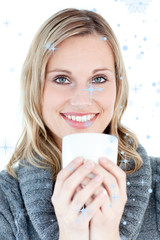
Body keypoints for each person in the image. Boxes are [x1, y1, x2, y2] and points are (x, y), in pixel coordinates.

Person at [0, 8, 159, 240]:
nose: (82, 100)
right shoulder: (5, 203)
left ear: (118, 88)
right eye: (62, 79)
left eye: (99, 79)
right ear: (36, 89)